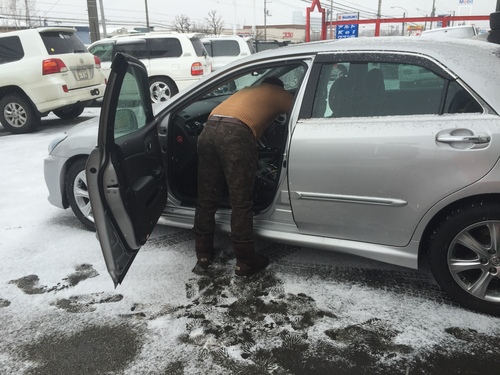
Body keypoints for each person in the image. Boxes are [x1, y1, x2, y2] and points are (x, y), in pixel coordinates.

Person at [194, 76, 294, 276]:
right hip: (236, 135)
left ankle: (203, 255)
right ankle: (245, 261)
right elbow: (302, 112)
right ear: (278, 87)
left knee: (207, 198)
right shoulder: (280, 94)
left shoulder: (248, 90)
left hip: (209, 130)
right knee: (240, 202)